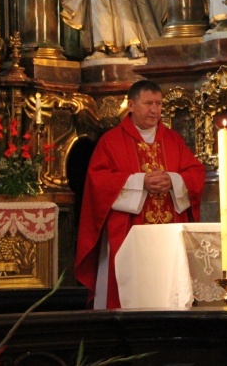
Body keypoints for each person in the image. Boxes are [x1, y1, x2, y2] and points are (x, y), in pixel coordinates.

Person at [75, 80, 205, 309]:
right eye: (148, 103)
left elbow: (194, 172)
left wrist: (174, 180)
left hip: (168, 234)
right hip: (126, 231)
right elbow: (98, 181)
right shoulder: (111, 141)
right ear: (132, 105)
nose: (155, 110)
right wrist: (140, 182)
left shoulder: (172, 139)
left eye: (158, 103)